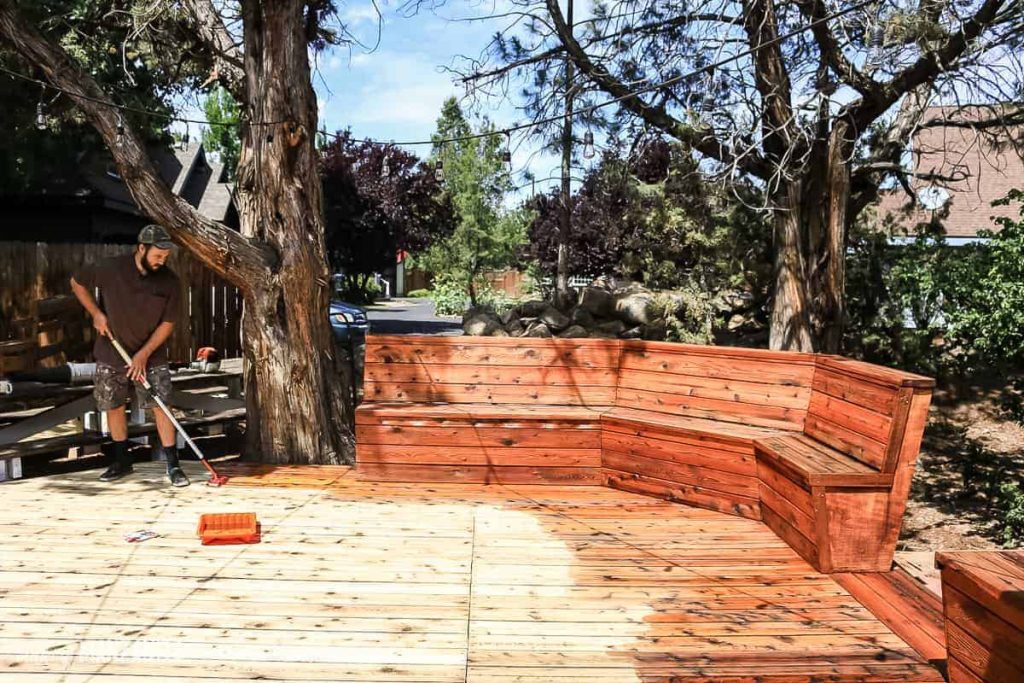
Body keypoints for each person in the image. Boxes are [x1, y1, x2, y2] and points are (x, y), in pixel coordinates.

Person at [70, 225, 189, 487]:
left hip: (151, 355)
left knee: (162, 406)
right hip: (112, 351)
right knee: (113, 405)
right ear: (142, 248)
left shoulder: (170, 282)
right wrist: (96, 314)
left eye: (165, 258)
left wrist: (143, 355)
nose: (161, 261)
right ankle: (122, 461)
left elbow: (168, 324)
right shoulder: (112, 268)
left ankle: (173, 465)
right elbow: (77, 283)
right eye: (157, 256)